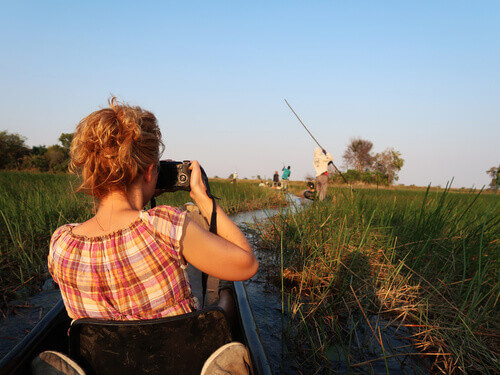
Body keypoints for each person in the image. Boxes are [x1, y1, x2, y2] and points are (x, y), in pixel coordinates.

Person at [48, 98, 258, 321]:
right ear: (149, 172)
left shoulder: (61, 243)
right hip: (177, 353)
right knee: (225, 299)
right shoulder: (164, 225)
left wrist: (143, 195)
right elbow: (248, 266)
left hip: (99, 354)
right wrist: (203, 198)